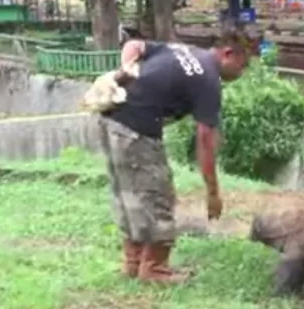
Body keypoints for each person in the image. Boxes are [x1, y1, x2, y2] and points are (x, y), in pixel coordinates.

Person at [99, 31, 249, 284]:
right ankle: (155, 269)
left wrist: (127, 66)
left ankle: (133, 261)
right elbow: (205, 140)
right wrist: (213, 192)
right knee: (158, 196)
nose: (241, 73)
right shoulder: (209, 79)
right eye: (243, 66)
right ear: (228, 54)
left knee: (128, 194)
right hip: (137, 129)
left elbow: (135, 44)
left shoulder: (185, 50)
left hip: (110, 119)